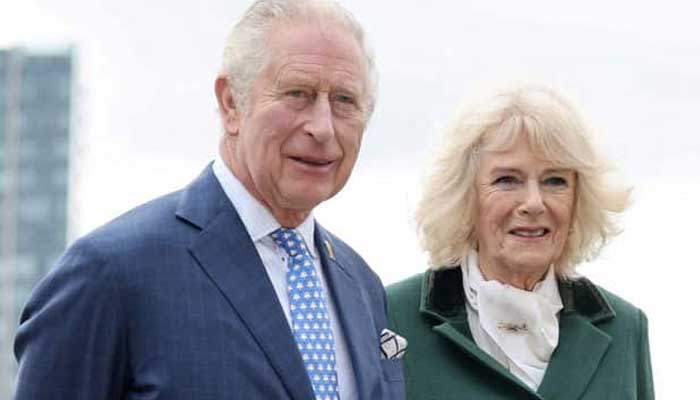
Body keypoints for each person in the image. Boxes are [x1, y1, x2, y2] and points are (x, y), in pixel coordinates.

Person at [13, 1, 405, 399]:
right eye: (297, 94)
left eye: (344, 101)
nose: (323, 128)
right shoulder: (111, 273)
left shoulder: (362, 286)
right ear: (231, 102)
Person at [387, 86, 654, 399]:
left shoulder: (625, 329)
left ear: (579, 199)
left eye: (555, 181)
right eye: (507, 180)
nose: (534, 203)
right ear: (465, 196)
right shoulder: (392, 317)